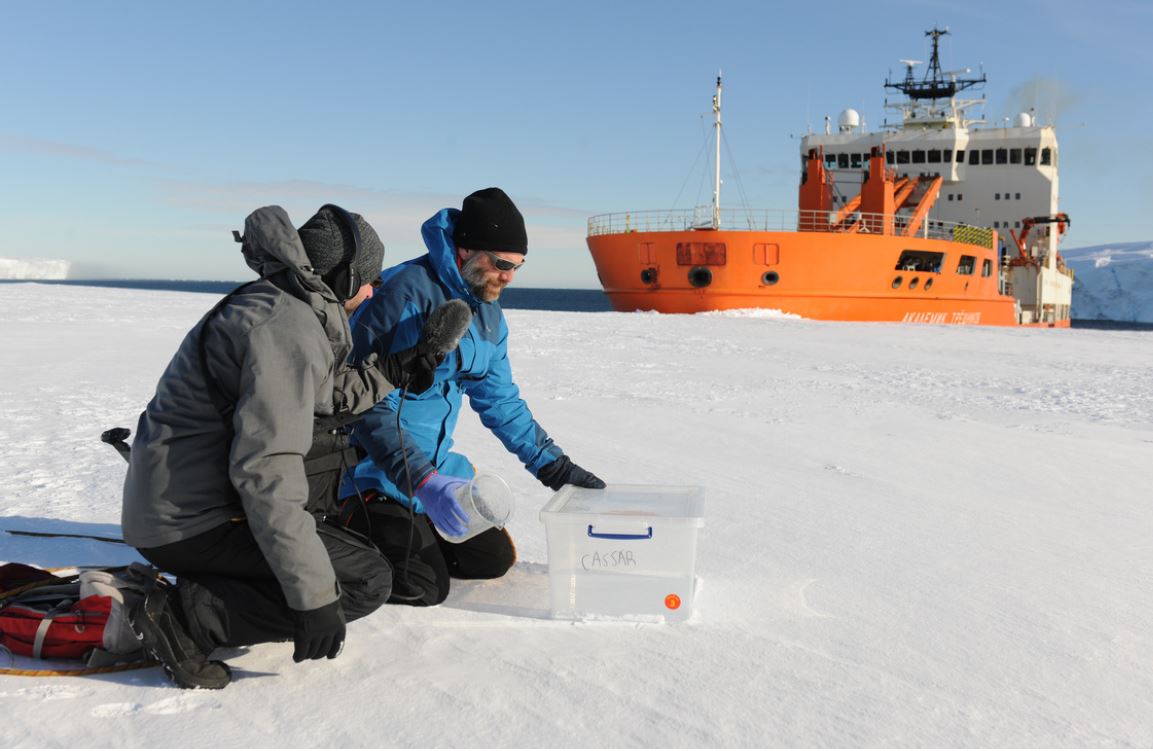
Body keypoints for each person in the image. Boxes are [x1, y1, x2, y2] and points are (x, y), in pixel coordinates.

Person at [121, 204, 466, 689]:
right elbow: (267, 470)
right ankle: (186, 619)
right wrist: (313, 596)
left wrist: (400, 366)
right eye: (367, 279)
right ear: (341, 275)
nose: (370, 291)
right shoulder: (283, 327)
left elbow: (326, 394)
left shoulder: (286, 308)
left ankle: (206, 597)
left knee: (340, 552)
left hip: (183, 508)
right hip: (189, 522)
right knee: (365, 580)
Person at [339, 187, 605, 606]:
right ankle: (344, 529)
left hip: (440, 475)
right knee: (424, 585)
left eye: (517, 266)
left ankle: (412, 531)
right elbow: (367, 405)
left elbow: (499, 400)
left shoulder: (487, 312)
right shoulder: (402, 295)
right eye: (501, 264)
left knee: (492, 560)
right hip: (372, 472)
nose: (509, 277)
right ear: (465, 250)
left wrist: (555, 468)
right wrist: (422, 480)